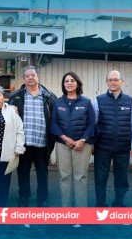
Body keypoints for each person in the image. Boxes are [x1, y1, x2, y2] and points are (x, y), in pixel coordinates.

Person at [8, 65, 57, 207]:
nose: (30, 78)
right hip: (23, 143)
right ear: (24, 78)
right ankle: (23, 196)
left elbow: (54, 119)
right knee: (23, 172)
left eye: (33, 75)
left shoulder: (49, 96)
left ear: (38, 77)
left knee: (43, 173)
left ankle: (42, 198)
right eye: (27, 76)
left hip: (42, 142)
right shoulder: (15, 96)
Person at [93, 70, 132, 207]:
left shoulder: (130, 101)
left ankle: (119, 202)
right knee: (100, 178)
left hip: (122, 148)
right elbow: (93, 124)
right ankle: (100, 203)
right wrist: (92, 144)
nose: (113, 82)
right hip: (102, 147)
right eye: (110, 80)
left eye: (116, 79)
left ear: (122, 82)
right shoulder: (98, 100)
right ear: (106, 82)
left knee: (121, 178)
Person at [51, 72, 95, 207]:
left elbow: (91, 124)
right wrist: (65, 139)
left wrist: (82, 140)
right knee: (64, 177)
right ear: (63, 85)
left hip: (82, 144)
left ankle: (81, 210)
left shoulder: (86, 102)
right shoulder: (58, 102)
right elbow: (54, 123)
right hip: (63, 144)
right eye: (66, 81)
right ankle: (66, 209)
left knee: (80, 177)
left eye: (72, 81)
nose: (69, 83)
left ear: (77, 83)